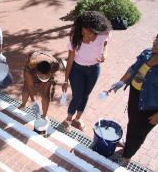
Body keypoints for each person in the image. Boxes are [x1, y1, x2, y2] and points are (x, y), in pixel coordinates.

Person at [109, 34, 158, 164]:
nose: (155, 43)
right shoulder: (147, 53)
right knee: (132, 123)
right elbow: (133, 69)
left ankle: (126, 157)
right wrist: (120, 83)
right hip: (135, 95)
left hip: (150, 107)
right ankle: (128, 144)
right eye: (156, 39)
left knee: (139, 132)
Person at [62, 11, 112, 131]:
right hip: (77, 70)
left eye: (90, 34)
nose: (86, 37)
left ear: (98, 31)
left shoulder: (104, 33)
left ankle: (77, 119)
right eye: (84, 33)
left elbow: (106, 42)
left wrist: (105, 52)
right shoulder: (76, 37)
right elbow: (70, 59)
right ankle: (68, 119)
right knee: (77, 96)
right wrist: (65, 79)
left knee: (85, 95)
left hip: (94, 69)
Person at [19, 50, 59, 120]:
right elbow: (30, 86)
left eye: (45, 77)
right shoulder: (30, 66)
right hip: (33, 68)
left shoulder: (55, 64)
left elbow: (47, 80)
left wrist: (41, 87)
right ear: (37, 72)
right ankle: (23, 104)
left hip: (47, 68)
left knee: (46, 95)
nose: (42, 79)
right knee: (26, 88)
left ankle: (44, 116)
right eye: (41, 77)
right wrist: (34, 102)